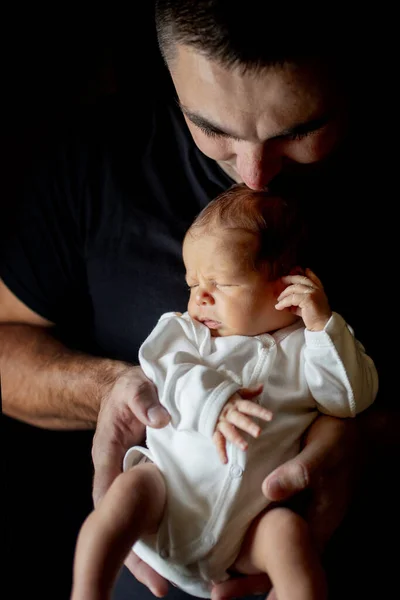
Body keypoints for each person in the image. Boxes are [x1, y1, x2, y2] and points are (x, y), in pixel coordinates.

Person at [1, 2, 397, 599]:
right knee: (119, 510)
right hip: (168, 504)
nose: (254, 173)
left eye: (298, 130)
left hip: (270, 530)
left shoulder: (303, 339)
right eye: (213, 130)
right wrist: (112, 389)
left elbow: (349, 390)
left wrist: (357, 435)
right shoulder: (95, 161)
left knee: (288, 550)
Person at [70, 185, 378, 600]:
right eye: (193, 283)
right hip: (166, 494)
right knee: (122, 497)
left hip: (245, 531)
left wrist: (324, 327)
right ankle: (87, 592)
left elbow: (348, 399)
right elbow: (165, 372)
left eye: (218, 282)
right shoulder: (186, 334)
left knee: (288, 536)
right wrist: (215, 401)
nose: (200, 297)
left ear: (286, 285)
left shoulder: (311, 348)